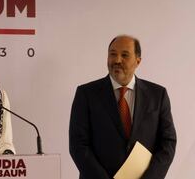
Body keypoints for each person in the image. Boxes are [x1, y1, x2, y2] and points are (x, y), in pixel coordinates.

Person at [69, 35, 177, 179]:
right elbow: (78, 145)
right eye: (112, 54)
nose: (117, 60)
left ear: (138, 61)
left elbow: (167, 142)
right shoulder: (86, 94)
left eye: (124, 55)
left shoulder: (158, 95)